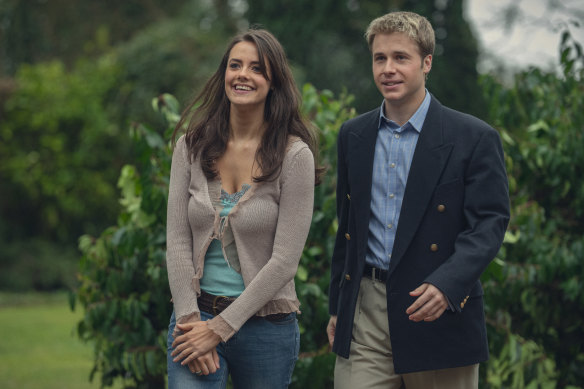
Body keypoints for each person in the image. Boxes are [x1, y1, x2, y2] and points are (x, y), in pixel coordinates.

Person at [326, 11, 510, 389]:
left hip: (436, 309)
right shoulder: (353, 135)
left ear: (426, 63)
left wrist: (447, 284)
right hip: (366, 311)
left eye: (400, 57)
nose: (388, 69)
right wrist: (337, 309)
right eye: (380, 58)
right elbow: (348, 228)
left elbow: (489, 223)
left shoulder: (473, 137)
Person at [166, 28, 320, 389]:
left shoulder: (295, 156)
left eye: (256, 68)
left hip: (266, 328)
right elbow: (176, 240)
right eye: (235, 65)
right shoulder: (191, 147)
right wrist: (191, 323)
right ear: (223, 75)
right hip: (195, 317)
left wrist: (218, 331)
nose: (242, 75)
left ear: (273, 81)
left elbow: (284, 261)